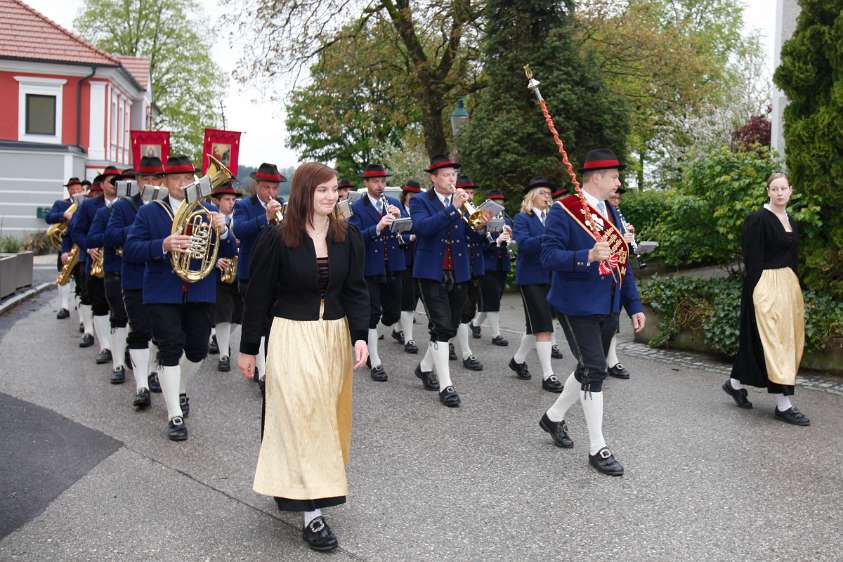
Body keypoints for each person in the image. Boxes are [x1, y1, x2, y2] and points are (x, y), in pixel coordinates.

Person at [238, 162, 369, 553]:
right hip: (291, 333)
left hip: (333, 334)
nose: (332, 196)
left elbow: (358, 290)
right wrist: (248, 348)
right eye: (323, 190)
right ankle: (313, 514)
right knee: (301, 414)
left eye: (334, 190)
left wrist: (360, 336)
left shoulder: (349, 237)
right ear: (304, 194)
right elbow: (257, 295)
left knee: (324, 416)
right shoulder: (277, 239)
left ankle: (301, 488)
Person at [539, 149, 646, 476]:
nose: (618, 182)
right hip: (576, 303)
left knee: (588, 367)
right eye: (614, 176)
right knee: (596, 370)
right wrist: (585, 255)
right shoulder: (563, 210)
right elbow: (548, 255)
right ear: (596, 178)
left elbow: (621, 263)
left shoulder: (610, 214)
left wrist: (633, 305)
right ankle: (597, 447)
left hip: (608, 303)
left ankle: (553, 418)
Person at [125, 154, 235, 441]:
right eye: (177, 179)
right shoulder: (149, 212)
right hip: (163, 291)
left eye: (188, 179)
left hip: (200, 291)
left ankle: (180, 387)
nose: (183, 184)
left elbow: (230, 251)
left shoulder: (207, 210)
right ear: (166, 182)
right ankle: (174, 414)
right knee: (170, 347)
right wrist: (162, 244)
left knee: (197, 350)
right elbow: (133, 248)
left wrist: (223, 231)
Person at [724, 173, 809, 426]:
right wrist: (756, 294)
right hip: (765, 288)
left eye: (784, 188)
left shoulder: (790, 220)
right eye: (775, 188)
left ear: (791, 191)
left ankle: (734, 383)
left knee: (780, 342)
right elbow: (753, 260)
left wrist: (794, 285)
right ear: (768, 191)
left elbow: (792, 257)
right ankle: (784, 404)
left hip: (787, 287)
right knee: (775, 343)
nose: (780, 193)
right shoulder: (758, 220)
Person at [410, 155, 490, 406]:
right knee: (442, 326)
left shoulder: (464, 202)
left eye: (454, 175)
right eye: (446, 175)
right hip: (430, 272)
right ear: (433, 178)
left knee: (450, 326)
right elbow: (423, 229)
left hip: (459, 271)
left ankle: (424, 367)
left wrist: (483, 225)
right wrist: (452, 209)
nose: (451, 179)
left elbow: (474, 238)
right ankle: (446, 387)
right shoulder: (420, 200)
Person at [106, 156, 166, 409]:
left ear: (161, 181)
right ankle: (141, 385)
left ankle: (153, 371)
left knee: (160, 332)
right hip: (133, 277)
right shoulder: (123, 206)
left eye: (155, 178)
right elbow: (110, 237)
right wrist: (139, 226)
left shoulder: (168, 206)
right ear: (138, 181)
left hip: (161, 277)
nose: (149, 183)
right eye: (145, 179)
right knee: (139, 330)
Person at [348, 163, 409, 382]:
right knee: (372, 315)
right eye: (375, 181)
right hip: (370, 267)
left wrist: (399, 218)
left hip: (393, 264)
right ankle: (375, 361)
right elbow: (354, 237)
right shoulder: (357, 208)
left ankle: (377, 335)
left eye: (383, 181)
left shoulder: (393, 203)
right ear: (366, 183)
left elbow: (407, 229)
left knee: (393, 312)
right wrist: (377, 227)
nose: (380, 185)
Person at [232, 163, 287, 385]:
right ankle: (261, 370)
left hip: (276, 274)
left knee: (272, 323)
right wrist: (265, 217)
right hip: (250, 273)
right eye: (266, 187)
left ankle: (267, 366)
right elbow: (239, 230)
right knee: (257, 320)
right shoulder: (244, 205)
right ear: (257, 186)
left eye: (274, 188)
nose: (271, 193)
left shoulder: (282, 204)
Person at [509, 178, 563, 393]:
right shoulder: (522, 218)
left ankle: (518, 360)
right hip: (531, 277)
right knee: (543, 326)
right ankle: (548, 375)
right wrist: (546, 236)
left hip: (552, 277)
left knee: (536, 326)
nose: (548, 197)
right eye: (543, 193)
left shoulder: (554, 218)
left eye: (549, 194)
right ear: (532, 197)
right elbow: (523, 245)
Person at [71, 166, 122, 362]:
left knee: (121, 308)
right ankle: (105, 346)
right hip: (95, 261)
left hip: (119, 263)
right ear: (102, 184)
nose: (116, 185)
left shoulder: (127, 204)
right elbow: (77, 231)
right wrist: (89, 248)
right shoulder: (89, 205)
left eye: (119, 181)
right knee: (99, 304)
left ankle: (121, 346)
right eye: (112, 181)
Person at [88, 168, 134, 384]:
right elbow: (95, 238)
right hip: (115, 270)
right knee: (118, 317)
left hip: (141, 272)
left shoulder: (150, 210)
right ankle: (117, 364)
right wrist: (127, 230)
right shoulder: (104, 213)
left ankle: (140, 363)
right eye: (123, 182)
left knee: (142, 322)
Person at [471, 192, 512, 346]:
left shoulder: (507, 220)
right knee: (493, 298)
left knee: (494, 298)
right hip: (487, 265)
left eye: (502, 203)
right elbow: (477, 243)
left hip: (502, 264)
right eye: (497, 204)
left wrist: (509, 239)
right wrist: (496, 241)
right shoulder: (479, 219)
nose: (500, 207)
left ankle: (475, 323)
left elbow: (512, 240)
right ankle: (496, 335)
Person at [453, 175, 485, 371]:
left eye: (472, 193)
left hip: (474, 266)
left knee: (469, 309)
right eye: (468, 193)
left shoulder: (474, 210)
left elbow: (478, 238)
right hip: (458, 265)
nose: (471, 196)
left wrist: (485, 227)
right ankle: (466, 352)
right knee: (461, 311)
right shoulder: (454, 210)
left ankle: (449, 343)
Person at [210, 179, 243, 372]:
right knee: (223, 315)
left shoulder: (240, 217)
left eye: (233, 199)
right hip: (219, 271)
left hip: (239, 270)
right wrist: (214, 261)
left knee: (239, 316)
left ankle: (219, 338)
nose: (232, 202)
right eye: (227, 199)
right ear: (217, 201)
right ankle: (224, 354)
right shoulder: (210, 217)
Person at [603, 186, 634, 380]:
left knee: (614, 318)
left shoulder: (617, 215)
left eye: (618, 196)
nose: (617, 199)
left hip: (620, 270)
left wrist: (630, 238)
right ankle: (604, 360)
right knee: (606, 319)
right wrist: (622, 238)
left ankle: (611, 359)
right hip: (605, 270)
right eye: (614, 195)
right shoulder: (602, 214)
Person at [47, 177, 85, 320]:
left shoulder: (85, 203)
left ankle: (81, 310)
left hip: (81, 245)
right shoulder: (60, 204)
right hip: (66, 245)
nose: (75, 191)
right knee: (64, 276)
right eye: (72, 189)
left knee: (81, 279)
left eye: (77, 188)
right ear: (68, 190)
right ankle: (64, 307)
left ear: (82, 189)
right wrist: (63, 214)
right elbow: (48, 217)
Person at [395, 180, 422, 354]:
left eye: (416, 195)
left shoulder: (421, 210)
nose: (413, 197)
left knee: (413, 297)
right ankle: (409, 339)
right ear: (405, 195)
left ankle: (398, 329)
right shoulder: (399, 210)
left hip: (420, 259)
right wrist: (409, 238)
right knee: (408, 300)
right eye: (411, 194)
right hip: (404, 259)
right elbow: (394, 233)